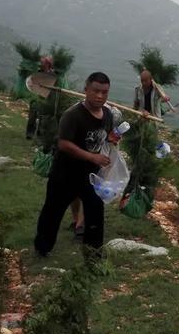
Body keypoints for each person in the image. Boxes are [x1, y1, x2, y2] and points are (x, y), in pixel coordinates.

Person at [34, 72, 121, 257]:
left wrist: (111, 139)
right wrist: (91, 157)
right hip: (65, 175)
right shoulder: (73, 115)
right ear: (86, 90)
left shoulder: (106, 114)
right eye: (96, 91)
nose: (100, 96)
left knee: (95, 214)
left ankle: (94, 254)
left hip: (90, 176)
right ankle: (43, 247)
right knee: (53, 211)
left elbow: (103, 137)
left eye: (104, 92)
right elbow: (64, 144)